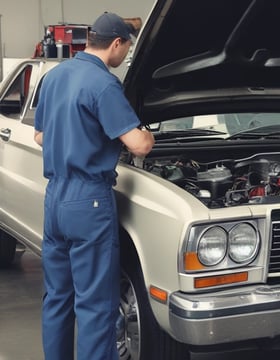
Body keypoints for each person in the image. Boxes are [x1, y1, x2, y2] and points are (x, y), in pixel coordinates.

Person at [33, 12, 155, 360]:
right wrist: (149, 134)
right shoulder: (103, 84)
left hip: (55, 197)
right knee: (95, 304)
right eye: (126, 49)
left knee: (57, 297)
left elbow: (41, 135)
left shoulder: (55, 76)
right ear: (117, 44)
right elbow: (139, 146)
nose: (125, 56)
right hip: (89, 201)